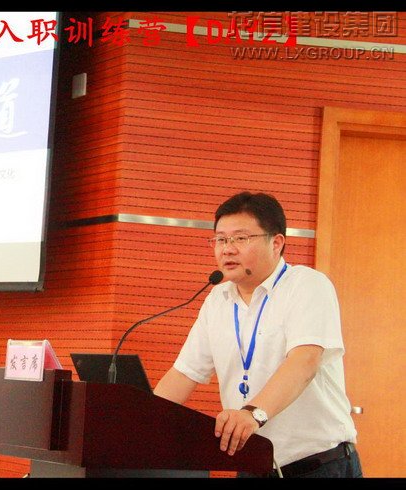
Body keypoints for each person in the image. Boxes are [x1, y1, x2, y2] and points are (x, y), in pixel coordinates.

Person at [153, 191, 362, 478]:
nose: (227, 249)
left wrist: (253, 414)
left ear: (276, 243)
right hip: (253, 465)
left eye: (240, 238)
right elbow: (184, 374)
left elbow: (305, 361)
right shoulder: (217, 300)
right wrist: (141, 422)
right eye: (220, 240)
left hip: (319, 466)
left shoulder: (307, 285)